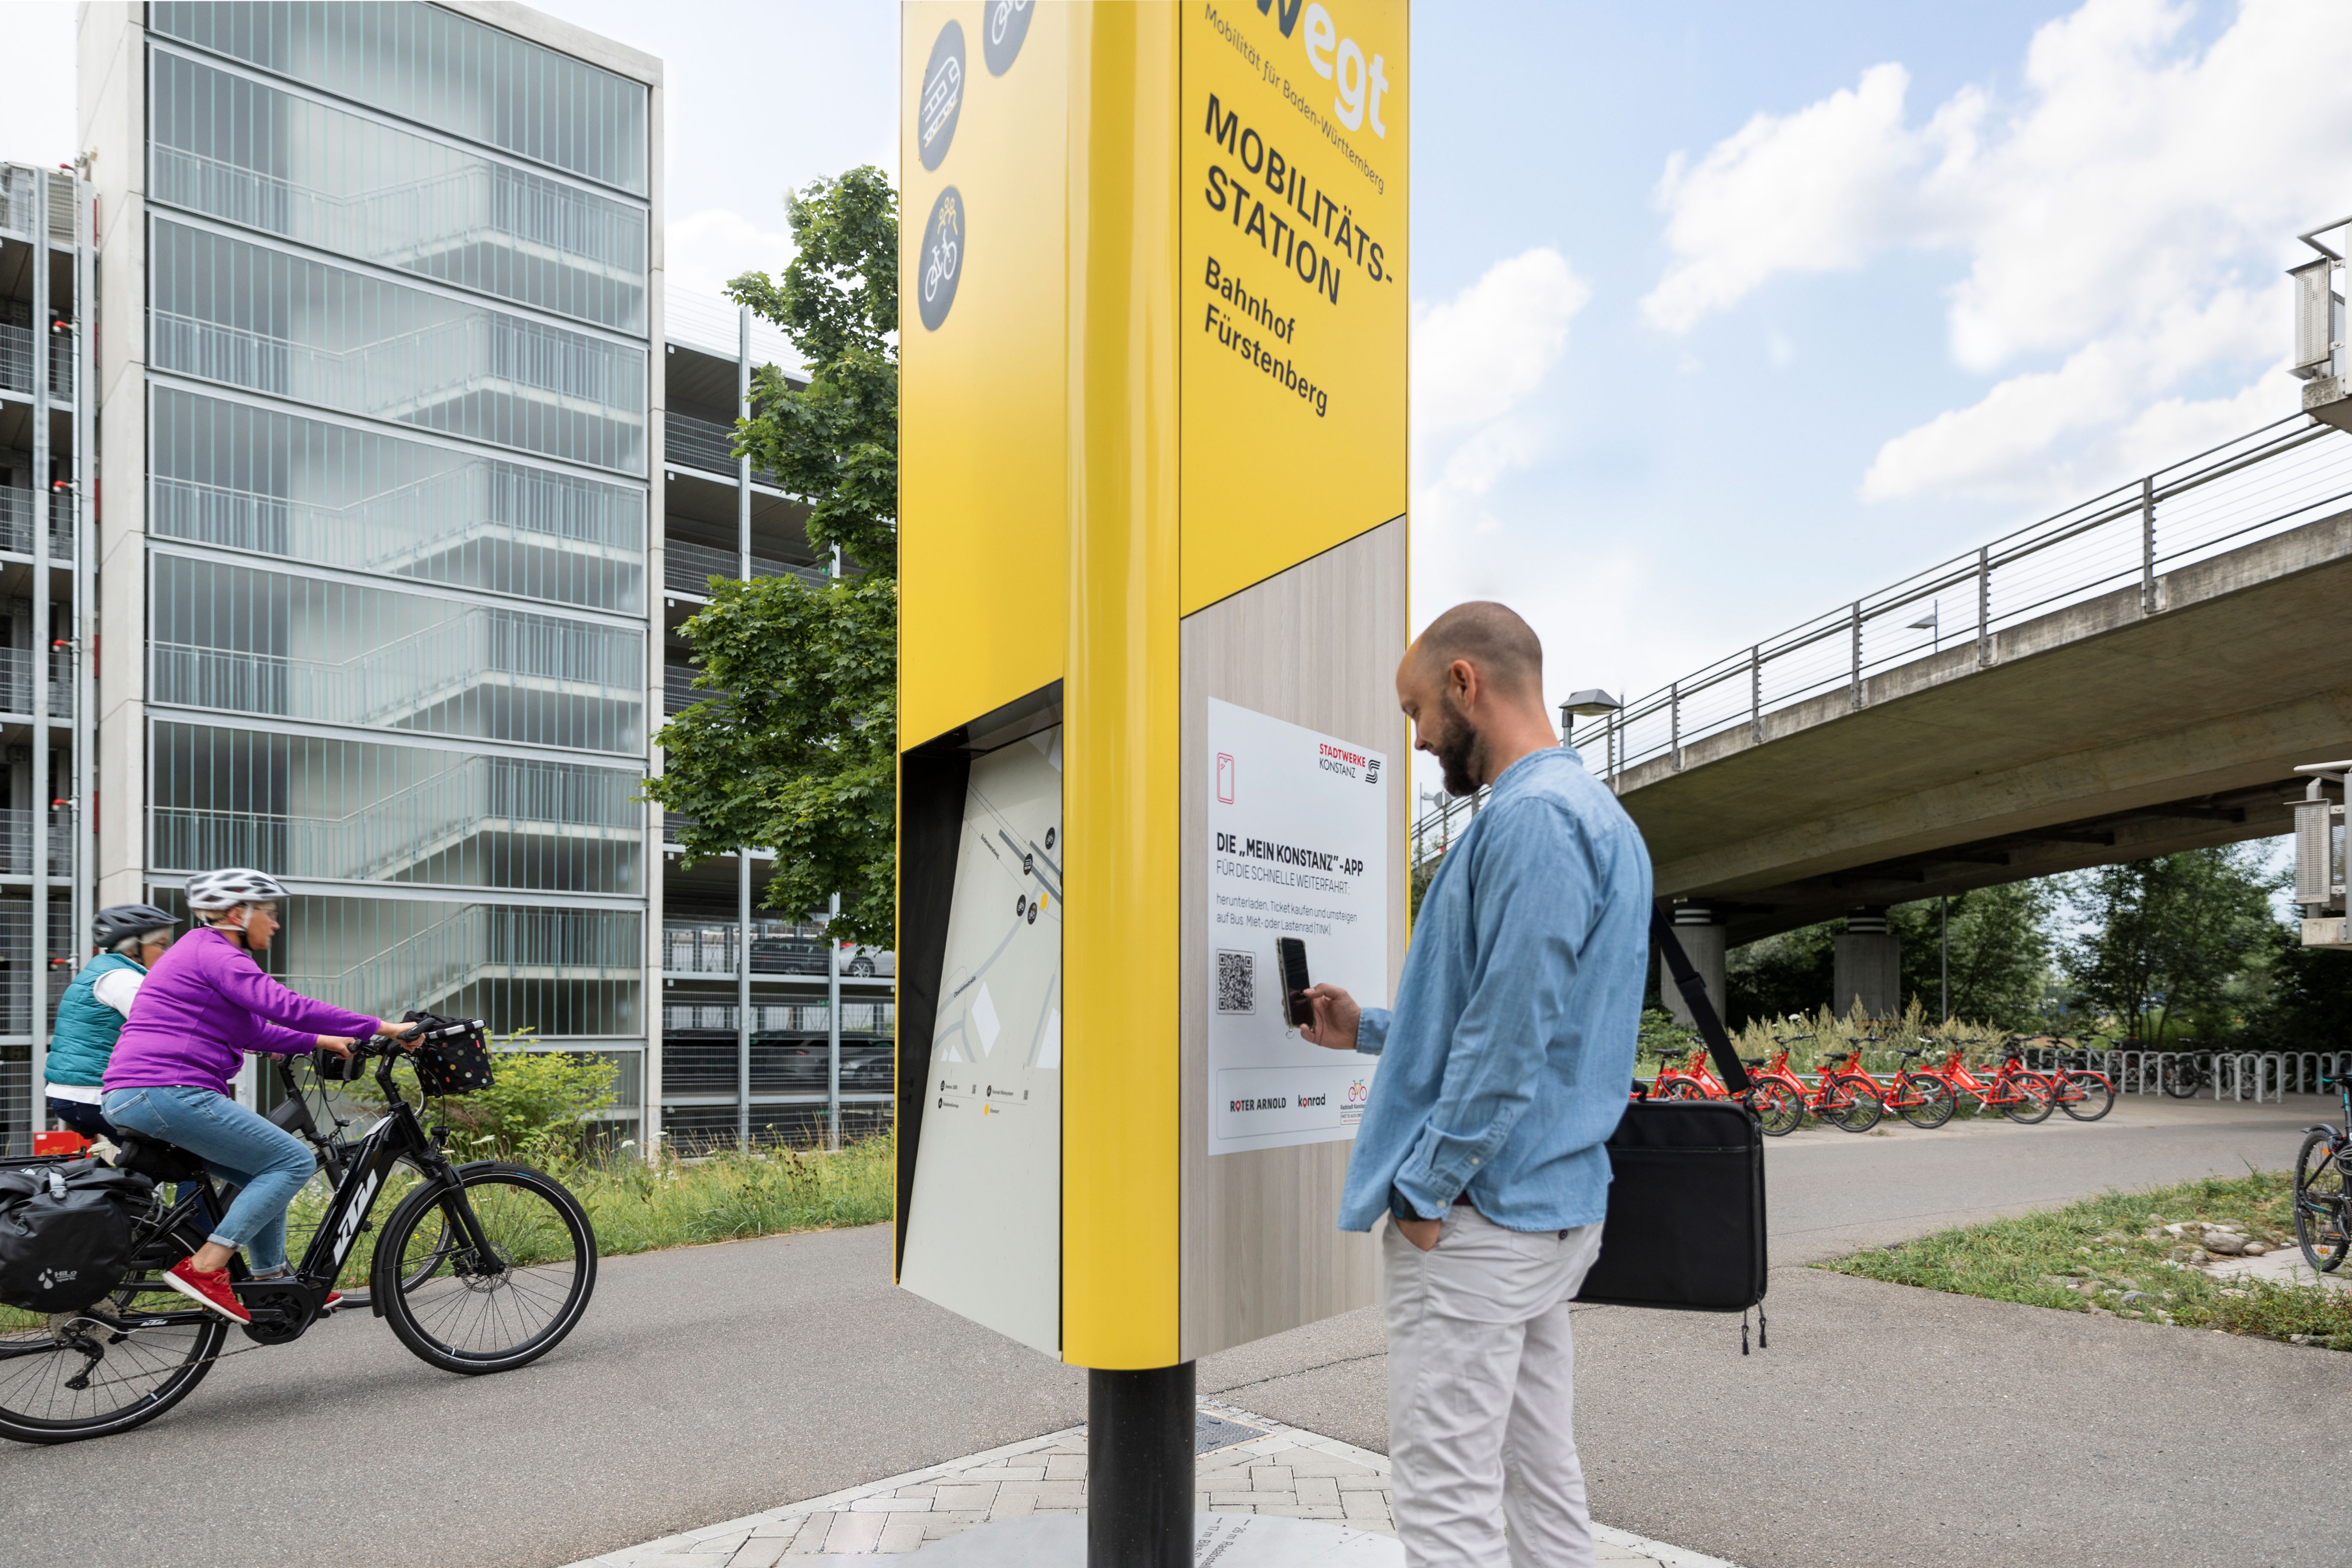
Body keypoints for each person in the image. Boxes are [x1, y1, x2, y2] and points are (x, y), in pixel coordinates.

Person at [1299, 602, 1650, 1568]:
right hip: (1547, 1205)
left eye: (1416, 710)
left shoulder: (1532, 819)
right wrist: (1368, 1028)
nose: (1417, 739)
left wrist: (1426, 1187)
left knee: (1445, 1496)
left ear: (1465, 681)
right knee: (1540, 1471)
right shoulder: (1600, 818)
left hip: (1478, 1215)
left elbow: (1510, 1031)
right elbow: (1532, 1013)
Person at [99, 869, 420, 1325]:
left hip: (143, 1093)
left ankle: (269, 1283)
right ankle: (206, 1266)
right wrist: (384, 1027)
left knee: (261, 1172)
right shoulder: (216, 953)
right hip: (167, 1089)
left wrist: (323, 1041)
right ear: (237, 914)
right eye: (268, 913)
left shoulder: (197, 952)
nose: (275, 923)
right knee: (292, 1160)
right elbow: (285, 1005)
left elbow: (251, 1030)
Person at [44, 904, 180, 1141]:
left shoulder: (104, 970)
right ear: (132, 947)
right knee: (192, 1148)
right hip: (93, 1094)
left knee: (158, 1158)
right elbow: (173, 1027)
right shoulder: (122, 980)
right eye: (161, 944)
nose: (168, 952)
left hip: (78, 1092)